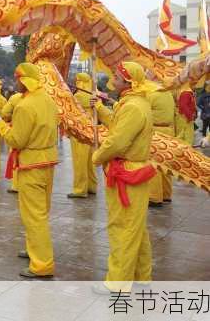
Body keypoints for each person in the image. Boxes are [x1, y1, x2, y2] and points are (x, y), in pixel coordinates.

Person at [91, 61, 156, 293]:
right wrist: (99, 107)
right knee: (136, 227)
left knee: (122, 228)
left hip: (126, 174)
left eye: (117, 77)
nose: (113, 79)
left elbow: (117, 141)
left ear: (128, 81)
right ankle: (142, 275)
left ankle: (117, 283)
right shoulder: (133, 103)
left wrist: (97, 156)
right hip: (132, 171)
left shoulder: (132, 107)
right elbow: (117, 126)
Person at [0, 63, 58, 278]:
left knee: (34, 216)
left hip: (31, 164)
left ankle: (42, 264)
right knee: (40, 212)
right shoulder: (47, 99)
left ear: (24, 80)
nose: (15, 83)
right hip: (47, 161)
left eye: (17, 79)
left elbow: (16, 140)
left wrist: (0, 124)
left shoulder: (24, 106)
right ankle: (33, 250)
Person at [146, 77, 175, 207]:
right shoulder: (168, 93)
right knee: (166, 164)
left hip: (155, 131)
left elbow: (142, 112)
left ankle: (154, 197)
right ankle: (166, 194)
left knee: (154, 165)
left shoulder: (150, 94)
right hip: (168, 130)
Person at [67, 73, 97, 199]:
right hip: (90, 131)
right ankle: (91, 186)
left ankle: (80, 189)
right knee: (90, 162)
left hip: (79, 132)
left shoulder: (78, 95)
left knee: (79, 162)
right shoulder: (93, 94)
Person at [1, 90, 22, 193]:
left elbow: (5, 113)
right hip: (37, 133)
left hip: (17, 129)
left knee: (15, 157)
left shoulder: (15, 97)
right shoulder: (45, 97)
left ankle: (16, 186)